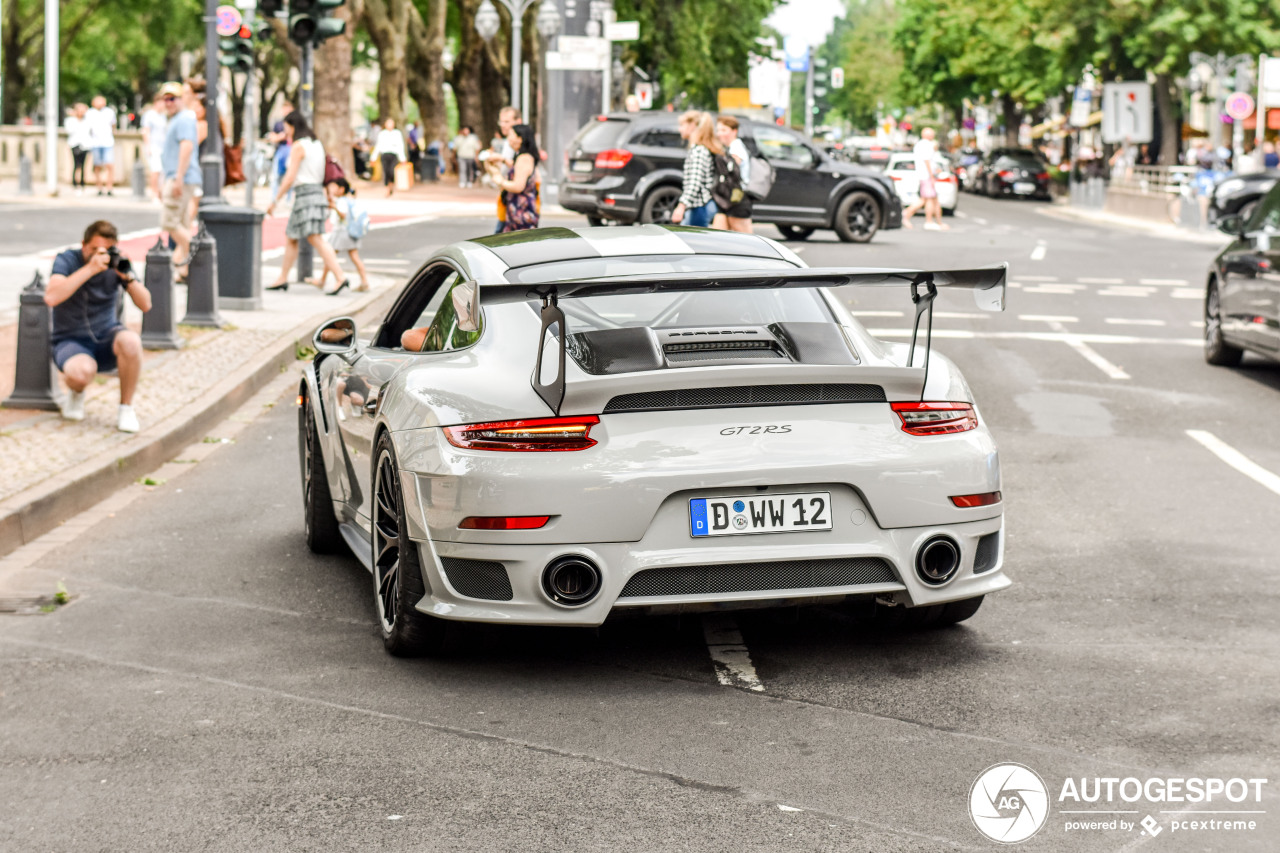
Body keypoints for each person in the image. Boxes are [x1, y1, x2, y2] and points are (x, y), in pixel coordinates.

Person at [44, 220, 152, 433]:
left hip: (106, 336)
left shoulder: (117, 262)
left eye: (106, 250)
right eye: (94, 249)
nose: (100, 255)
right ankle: (76, 393)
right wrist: (90, 269)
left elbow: (146, 304)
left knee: (131, 341)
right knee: (82, 372)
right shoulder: (67, 260)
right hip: (71, 340)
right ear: (83, 245)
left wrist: (128, 278)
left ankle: (126, 409)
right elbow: (52, 297)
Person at [265, 111, 349, 292]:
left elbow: (290, 177)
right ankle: (282, 278)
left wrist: (275, 200)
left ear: (293, 126)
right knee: (292, 236)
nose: (285, 132)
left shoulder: (298, 146)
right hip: (316, 193)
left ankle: (340, 276)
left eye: (286, 127)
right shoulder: (316, 144)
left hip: (305, 195)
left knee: (315, 238)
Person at [159, 80, 202, 282]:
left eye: (172, 98)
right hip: (180, 176)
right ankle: (185, 268)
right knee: (183, 221)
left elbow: (187, 147)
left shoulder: (184, 119)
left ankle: (198, 251)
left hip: (181, 178)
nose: (168, 102)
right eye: (165, 99)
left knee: (169, 221)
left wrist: (178, 178)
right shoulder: (178, 118)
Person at [310, 178, 371, 294]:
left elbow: (343, 215)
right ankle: (364, 281)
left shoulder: (342, 201)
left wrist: (334, 207)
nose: (332, 190)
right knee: (353, 257)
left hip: (342, 233)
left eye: (334, 187)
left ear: (341, 189)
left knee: (329, 256)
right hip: (349, 232)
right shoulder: (348, 200)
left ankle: (322, 281)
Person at [670, 111, 720, 227]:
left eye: (682, 125)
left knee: (695, 243)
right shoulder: (700, 149)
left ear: (692, 125)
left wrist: (681, 206)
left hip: (700, 206)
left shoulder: (698, 151)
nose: (679, 129)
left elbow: (694, 183)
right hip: (698, 206)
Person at [492, 123, 541, 232]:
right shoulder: (524, 156)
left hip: (521, 213)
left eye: (511, 135)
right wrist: (502, 159)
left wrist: (500, 181)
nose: (508, 138)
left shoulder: (523, 158)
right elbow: (518, 170)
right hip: (520, 211)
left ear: (520, 138)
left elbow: (518, 186)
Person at [901, 127, 947, 231]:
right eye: (932, 133)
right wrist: (932, 176)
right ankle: (926, 220)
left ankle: (937, 222)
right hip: (926, 176)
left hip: (924, 175)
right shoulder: (926, 145)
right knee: (929, 199)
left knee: (927, 199)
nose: (933, 135)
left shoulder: (920, 144)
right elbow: (927, 161)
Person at [715, 116, 753, 233]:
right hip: (729, 198)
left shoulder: (736, 148)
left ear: (734, 131)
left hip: (737, 198)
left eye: (724, 130)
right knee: (719, 238)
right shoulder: (732, 147)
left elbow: (733, 173)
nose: (719, 134)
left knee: (746, 242)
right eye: (718, 130)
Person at [85, 95, 117, 196]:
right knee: (97, 166)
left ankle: (109, 187)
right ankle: (99, 187)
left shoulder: (109, 112)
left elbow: (113, 125)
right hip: (95, 143)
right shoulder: (90, 113)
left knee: (109, 165)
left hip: (107, 142)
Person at [140, 93, 168, 201]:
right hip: (154, 146)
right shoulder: (149, 115)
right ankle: (154, 193)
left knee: (162, 172)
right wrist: (148, 146)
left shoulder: (163, 116)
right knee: (155, 170)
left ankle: (160, 193)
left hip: (163, 147)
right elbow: (146, 131)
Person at [267, 100, 294, 200]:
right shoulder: (278, 123)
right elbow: (273, 136)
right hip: (281, 150)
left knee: (290, 175)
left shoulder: (294, 124)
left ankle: (288, 199)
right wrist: (281, 136)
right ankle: (275, 198)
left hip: (290, 150)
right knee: (276, 176)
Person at [372, 118, 407, 196]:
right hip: (384, 155)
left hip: (393, 155)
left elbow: (400, 146)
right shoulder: (382, 134)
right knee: (386, 172)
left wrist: (402, 158)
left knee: (392, 172)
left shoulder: (397, 133)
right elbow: (378, 146)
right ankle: (387, 188)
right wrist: (373, 157)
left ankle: (391, 185)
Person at [65, 103, 92, 195]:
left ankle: (82, 183)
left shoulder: (87, 120)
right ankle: (75, 183)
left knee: (84, 165)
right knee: (76, 165)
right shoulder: (70, 120)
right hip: (75, 144)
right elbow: (70, 130)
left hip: (85, 145)